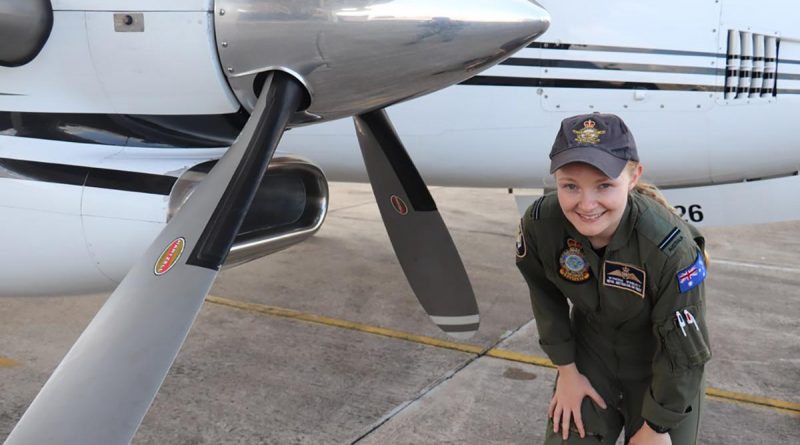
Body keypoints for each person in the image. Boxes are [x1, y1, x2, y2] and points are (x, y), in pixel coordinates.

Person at [515, 113, 711, 445]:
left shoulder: (670, 249)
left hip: (660, 368)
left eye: (604, 185)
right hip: (592, 358)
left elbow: (682, 350)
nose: (586, 204)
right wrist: (567, 372)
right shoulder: (541, 225)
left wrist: (658, 426)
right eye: (570, 186)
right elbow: (543, 291)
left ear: (634, 177)